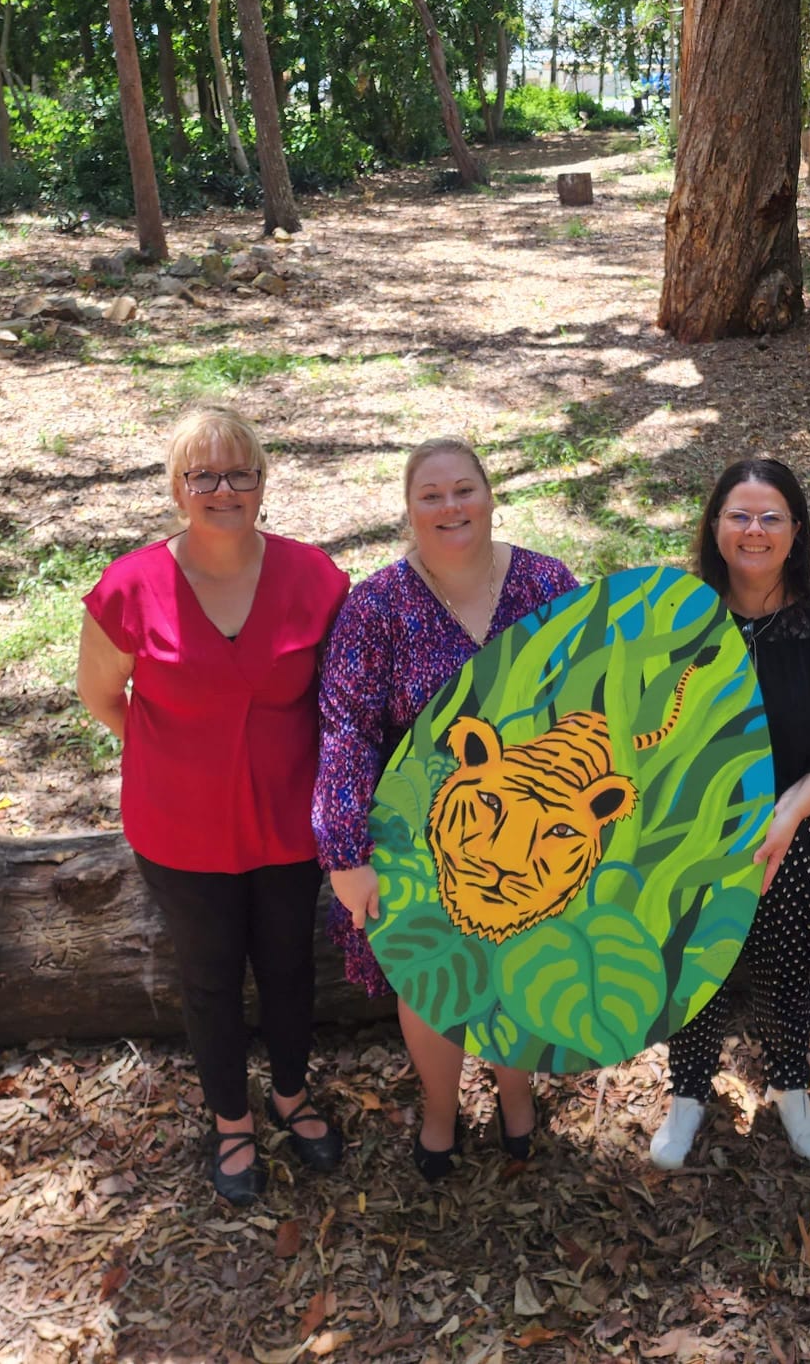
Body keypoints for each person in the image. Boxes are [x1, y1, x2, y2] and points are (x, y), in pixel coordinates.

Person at [76, 407, 352, 1207]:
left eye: (241, 473)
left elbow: (342, 699)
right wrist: (173, 758)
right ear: (176, 488)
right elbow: (101, 695)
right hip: (180, 827)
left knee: (289, 965)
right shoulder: (131, 586)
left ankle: (291, 1097)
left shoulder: (314, 578)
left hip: (289, 822)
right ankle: (230, 1119)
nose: (223, 489)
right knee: (208, 975)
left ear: (264, 483)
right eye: (203, 475)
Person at [313, 439, 578, 1180]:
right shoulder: (377, 606)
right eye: (431, 495)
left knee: (519, 965)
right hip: (418, 839)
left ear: (491, 497)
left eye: (464, 489)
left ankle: (517, 1089)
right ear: (409, 511)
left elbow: (591, 703)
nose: (450, 506)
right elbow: (346, 729)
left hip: (531, 830)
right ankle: (440, 1107)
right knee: (433, 981)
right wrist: (345, 853)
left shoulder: (546, 584)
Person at [651, 459, 810, 1170]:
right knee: (691, 967)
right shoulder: (676, 619)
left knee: (788, 968)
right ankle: (689, 1092)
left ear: (796, 531)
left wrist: (789, 811)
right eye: (738, 515)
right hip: (695, 834)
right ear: (715, 527)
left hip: (806, 830)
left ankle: (790, 1086)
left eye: (771, 517)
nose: (753, 531)